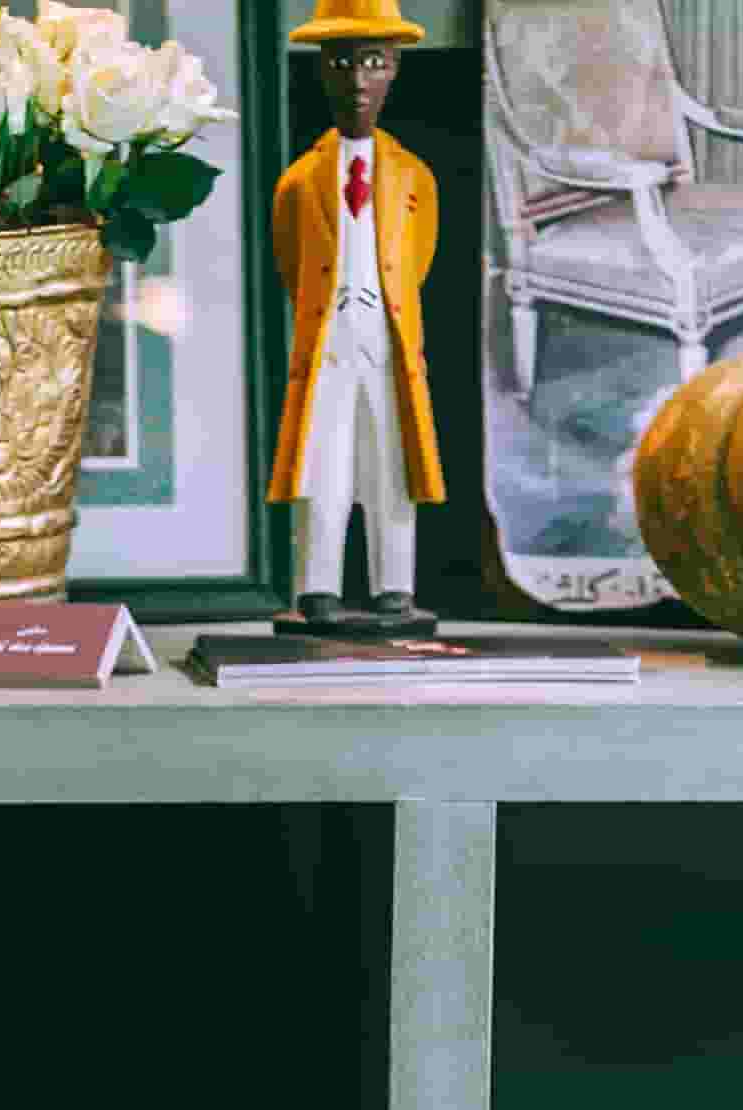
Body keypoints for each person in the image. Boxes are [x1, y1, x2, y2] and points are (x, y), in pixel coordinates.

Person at [266, 0, 444, 636]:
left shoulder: (415, 178)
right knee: (324, 466)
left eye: (372, 62)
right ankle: (317, 588)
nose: (358, 79)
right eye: (342, 62)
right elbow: (292, 262)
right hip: (327, 343)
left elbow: (416, 258)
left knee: (392, 467)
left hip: (389, 342)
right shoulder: (298, 183)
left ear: (394, 69)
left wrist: (381, 306)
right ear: (322, 70)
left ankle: (395, 586)